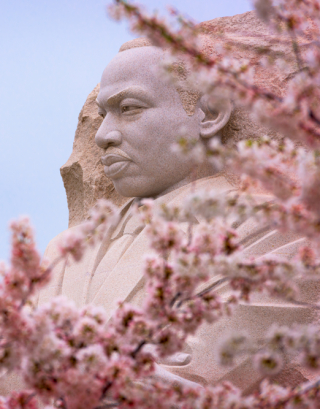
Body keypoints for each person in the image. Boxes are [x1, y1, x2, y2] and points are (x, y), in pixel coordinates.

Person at [0, 37, 315, 395]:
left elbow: (182, 382)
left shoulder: (274, 234)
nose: (102, 135)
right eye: (103, 115)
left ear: (210, 114)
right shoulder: (63, 255)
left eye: (129, 108)